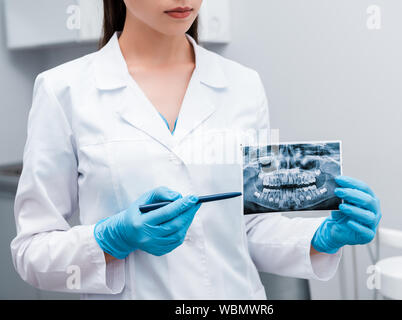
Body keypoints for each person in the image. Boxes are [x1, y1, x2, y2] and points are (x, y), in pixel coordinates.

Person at [11, 0, 381, 299]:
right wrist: (112, 238)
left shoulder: (243, 85)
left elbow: (252, 227)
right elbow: (32, 253)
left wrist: (321, 237)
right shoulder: (64, 90)